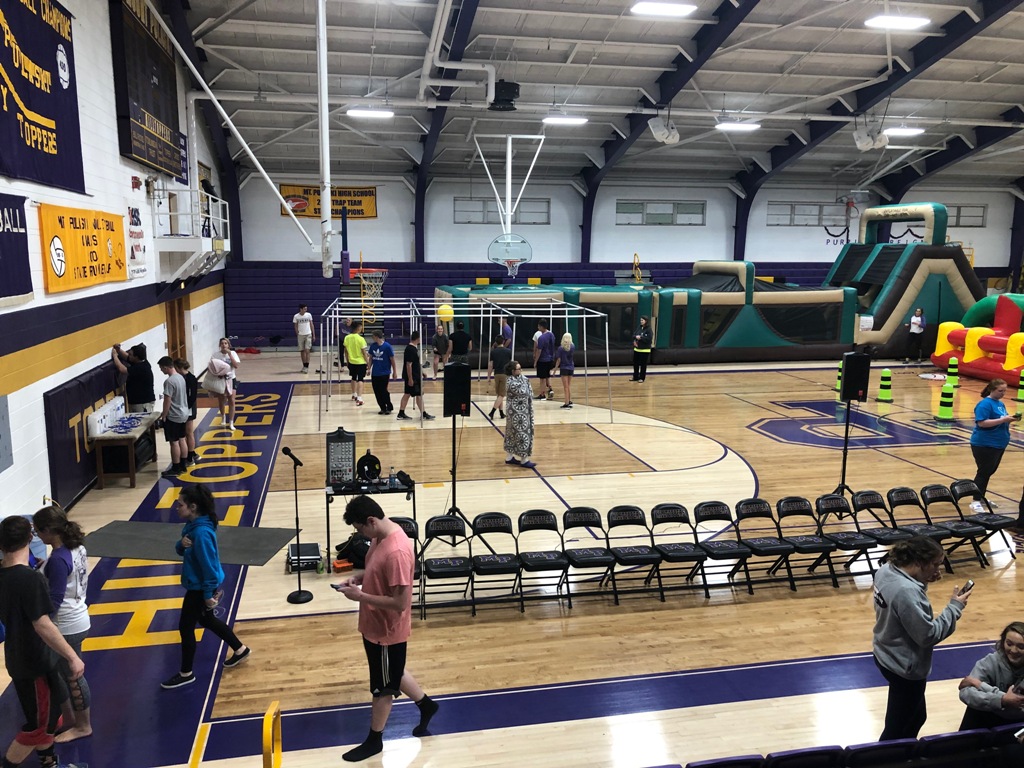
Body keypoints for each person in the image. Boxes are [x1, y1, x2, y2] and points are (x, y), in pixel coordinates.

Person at [334, 496, 438, 762]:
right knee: (393, 671)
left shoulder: (397, 551)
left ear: (371, 520)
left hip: (386, 630)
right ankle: (426, 705)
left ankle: (375, 740)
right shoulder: (379, 537)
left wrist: (360, 596)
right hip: (373, 623)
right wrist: (359, 578)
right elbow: (378, 571)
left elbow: (401, 603)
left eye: (359, 529)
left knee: (382, 687)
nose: (360, 534)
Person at [0, 515, 85, 768]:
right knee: (40, 724)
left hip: (20, 655)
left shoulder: (7, 574)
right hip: (34, 661)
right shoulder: (30, 579)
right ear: (30, 538)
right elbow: (43, 625)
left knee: (51, 715)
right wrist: (72, 656)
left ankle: (49, 763)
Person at [872, 536, 971, 740]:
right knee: (897, 729)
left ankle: (904, 753)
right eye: (935, 564)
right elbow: (927, 636)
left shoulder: (887, 570)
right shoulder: (906, 591)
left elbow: (904, 605)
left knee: (916, 717)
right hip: (904, 666)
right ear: (918, 562)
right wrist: (955, 608)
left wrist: (924, 579)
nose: (938, 570)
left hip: (885, 652)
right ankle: (886, 755)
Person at [161, 484, 250, 690]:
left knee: (185, 628)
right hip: (199, 585)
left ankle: (186, 673)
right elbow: (183, 549)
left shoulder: (201, 533)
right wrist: (180, 544)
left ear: (193, 507)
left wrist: (208, 594)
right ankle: (240, 649)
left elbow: (209, 566)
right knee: (207, 620)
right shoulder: (193, 526)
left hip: (200, 588)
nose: (176, 507)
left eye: (180, 504)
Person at [32, 505, 92, 743]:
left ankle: (83, 726)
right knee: (65, 674)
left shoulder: (57, 559)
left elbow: (55, 600)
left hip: (65, 625)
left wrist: (39, 620)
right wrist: (43, 568)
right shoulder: (76, 547)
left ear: (49, 531)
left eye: (38, 532)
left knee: (73, 677)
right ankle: (71, 718)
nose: (38, 536)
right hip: (78, 616)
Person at [957, 621, 1024, 730]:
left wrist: (980, 685)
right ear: (1003, 642)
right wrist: (1001, 700)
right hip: (987, 718)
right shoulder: (989, 662)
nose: (1013, 650)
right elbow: (966, 693)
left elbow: (1017, 704)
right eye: (1009, 644)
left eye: (1021, 646)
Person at [969, 378, 1019, 511]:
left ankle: (981, 496)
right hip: (985, 443)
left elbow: (1001, 419)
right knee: (983, 472)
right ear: (992, 389)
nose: (1003, 393)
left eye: (1005, 391)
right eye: (1000, 391)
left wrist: (1010, 419)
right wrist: (1003, 420)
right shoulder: (984, 404)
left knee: (989, 472)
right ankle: (975, 501)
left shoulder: (1000, 404)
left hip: (999, 443)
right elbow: (982, 423)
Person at [158, 356, 190, 478]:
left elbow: (167, 400)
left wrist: (164, 415)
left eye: (161, 368)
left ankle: (176, 467)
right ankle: (183, 465)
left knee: (174, 442)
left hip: (174, 415)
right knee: (182, 439)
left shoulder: (169, 381)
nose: (161, 370)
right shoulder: (181, 377)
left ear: (166, 367)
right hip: (183, 413)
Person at [503, 360, 536, 468]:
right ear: (513, 371)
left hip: (522, 412)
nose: (521, 370)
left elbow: (528, 388)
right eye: (519, 369)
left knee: (512, 434)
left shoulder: (521, 379)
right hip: (517, 414)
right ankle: (524, 459)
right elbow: (524, 391)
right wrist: (525, 382)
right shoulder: (511, 382)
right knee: (521, 434)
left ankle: (509, 457)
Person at [397, 332, 434, 421]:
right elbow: (408, 365)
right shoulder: (411, 349)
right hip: (413, 377)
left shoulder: (413, 348)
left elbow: (416, 364)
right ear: (417, 338)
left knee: (408, 394)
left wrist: (422, 372)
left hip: (415, 375)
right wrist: (410, 379)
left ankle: (401, 413)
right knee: (418, 394)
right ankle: (423, 413)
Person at [112, 342, 155, 412]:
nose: (129, 355)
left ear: (136, 357)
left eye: (131, 354)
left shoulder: (141, 368)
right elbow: (127, 357)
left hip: (142, 403)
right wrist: (119, 350)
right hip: (137, 402)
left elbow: (122, 369)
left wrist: (115, 356)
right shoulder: (141, 362)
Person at [211, 337, 240, 429]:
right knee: (221, 400)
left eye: (225, 343)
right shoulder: (216, 355)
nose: (224, 345)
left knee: (232, 400)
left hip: (231, 378)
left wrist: (230, 355)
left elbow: (236, 366)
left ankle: (231, 422)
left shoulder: (233, 353)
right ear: (220, 345)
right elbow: (212, 368)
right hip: (221, 379)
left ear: (228, 345)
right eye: (222, 343)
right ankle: (223, 416)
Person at [175, 359, 199, 465]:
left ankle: (189, 456)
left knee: (188, 433)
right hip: (187, 407)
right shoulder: (183, 377)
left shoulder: (190, 378)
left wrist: (185, 408)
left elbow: (192, 396)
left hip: (188, 408)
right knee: (188, 433)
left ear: (179, 368)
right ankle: (191, 452)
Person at [368, 330, 398, 415]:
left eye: (373, 336)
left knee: (383, 390)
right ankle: (382, 407)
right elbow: (371, 358)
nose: (372, 338)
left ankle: (389, 406)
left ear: (377, 337)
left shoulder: (387, 346)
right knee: (376, 391)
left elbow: (392, 360)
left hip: (384, 372)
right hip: (375, 373)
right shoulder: (373, 346)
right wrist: (369, 368)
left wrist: (394, 372)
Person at [343, 320, 369, 406]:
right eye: (361, 328)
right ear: (358, 328)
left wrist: (347, 361)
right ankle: (359, 398)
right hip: (361, 362)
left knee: (353, 378)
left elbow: (345, 351)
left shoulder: (347, 338)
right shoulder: (361, 339)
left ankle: (354, 394)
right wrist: (368, 363)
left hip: (351, 361)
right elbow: (364, 353)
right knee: (360, 379)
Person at [487, 334, 512, 420]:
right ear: (503, 341)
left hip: (496, 374)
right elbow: (510, 364)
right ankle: (492, 412)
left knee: (499, 395)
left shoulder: (493, 352)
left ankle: (501, 413)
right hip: (505, 374)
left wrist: (488, 376)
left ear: (496, 342)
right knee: (502, 395)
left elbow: (490, 365)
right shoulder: (508, 351)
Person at [533, 321, 555, 400]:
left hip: (543, 360)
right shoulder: (551, 335)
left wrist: (535, 361)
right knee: (547, 375)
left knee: (542, 378)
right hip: (550, 359)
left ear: (542, 327)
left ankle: (542, 394)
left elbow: (539, 350)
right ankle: (550, 390)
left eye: (539, 326)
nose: (538, 328)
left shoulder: (541, 338)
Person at [553, 332, 575, 409]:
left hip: (564, 368)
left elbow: (559, 360)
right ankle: (569, 400)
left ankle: (566, 403)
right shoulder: (572, 346)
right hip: (571, 367)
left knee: (565, 386)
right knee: (568, 385)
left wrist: (555, 369)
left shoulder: (561, 348)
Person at [293, 303, 316, 373]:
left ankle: (307, 366)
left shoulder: (309, 315)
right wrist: (297, 333)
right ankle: (304, 365)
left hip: (308, 334)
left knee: (307, 350)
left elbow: (311, 324)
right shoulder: (296, 316)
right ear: (301, 309)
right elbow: (295, 325)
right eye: (304, 309)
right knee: (302, 351)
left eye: (306, 309)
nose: (306, 310)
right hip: (301, 335)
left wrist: (313, 334)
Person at [631, 316, 653, 382]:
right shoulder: (639, 327)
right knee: (635, 364)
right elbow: (633, 335)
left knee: (643, 365)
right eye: (640, 320)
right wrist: (635, 338)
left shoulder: (649, 329)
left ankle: (642, 378)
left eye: (642, 320)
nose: (641, 321)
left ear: (646, 321)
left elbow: (649, 339)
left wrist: (641, 338)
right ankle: (635, 377)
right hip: (637, 349)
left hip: (645, 350)